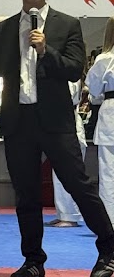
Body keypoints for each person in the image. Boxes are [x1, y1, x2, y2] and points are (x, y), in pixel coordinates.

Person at [0, 0, 114, 277]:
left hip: (56, 120)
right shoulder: (4, 29)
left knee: (78, 185)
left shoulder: (67, 25)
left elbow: (74, 69)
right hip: (18, 120)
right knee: (26, 194)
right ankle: (33, 260)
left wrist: (47, 50)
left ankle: (108, 249)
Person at [45, 83, 87, 228]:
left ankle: (70, 216)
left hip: (68, 124)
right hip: (59, 123)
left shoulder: (69, 78)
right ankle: (63, 214)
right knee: (59, 174)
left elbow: (65, 97)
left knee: (68, 173)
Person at [85, 18, 114, 228]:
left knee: (109, 174)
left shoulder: (105, 59)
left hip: (110, 112)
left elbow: (94, 91)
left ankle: (110, 224)